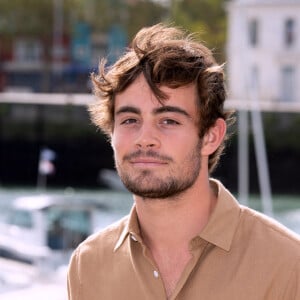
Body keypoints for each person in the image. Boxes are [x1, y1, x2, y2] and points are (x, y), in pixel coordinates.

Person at [67, 24, 300, 300]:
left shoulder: (287, 264)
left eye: (168, 121)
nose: (145, 139)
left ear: (211, 136)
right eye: (130, 120)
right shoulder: (88, 266)